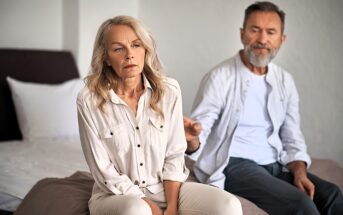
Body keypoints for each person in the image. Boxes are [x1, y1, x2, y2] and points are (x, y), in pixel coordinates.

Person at [184, 1, 343, 215]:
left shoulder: (285, 81)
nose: (262, 39)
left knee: (332, 194)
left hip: (275, 163)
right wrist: (191, 140)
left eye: (271, 32)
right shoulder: (219, 78)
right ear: (242, 34)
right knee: (300, 204)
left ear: (281, 39)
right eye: (255, 30)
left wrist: (299, 171)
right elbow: (199, 132)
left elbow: (291, 135)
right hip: (235, 164)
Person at [77, 15, 242, 215]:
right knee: (138, 211)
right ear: (105, 57)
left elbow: (174, 154)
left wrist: (172, 206)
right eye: (118, 48)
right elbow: (103, 170)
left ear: (146, 50)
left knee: (228, 205)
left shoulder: (169, 90)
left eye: (136, 45)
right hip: (115, 195)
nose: (129, 54)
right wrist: (151, 207)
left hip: (164, 189)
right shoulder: (89, 100)